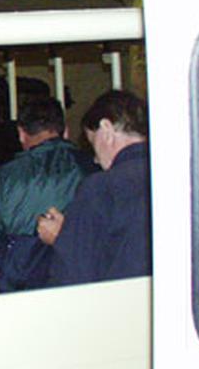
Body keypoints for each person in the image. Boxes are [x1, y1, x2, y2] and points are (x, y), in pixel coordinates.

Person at [36, 90, 150, 286]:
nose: (96, 159)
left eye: (93, 143)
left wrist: (63, 238)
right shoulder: (186, 178)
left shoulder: (100, 188)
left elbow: (74, 274)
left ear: (106, 129)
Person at [0, 97, 95, 246]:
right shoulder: (93, 168)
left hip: (21, 266)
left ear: (21, 134)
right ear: (65, 131)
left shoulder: (3, 178)